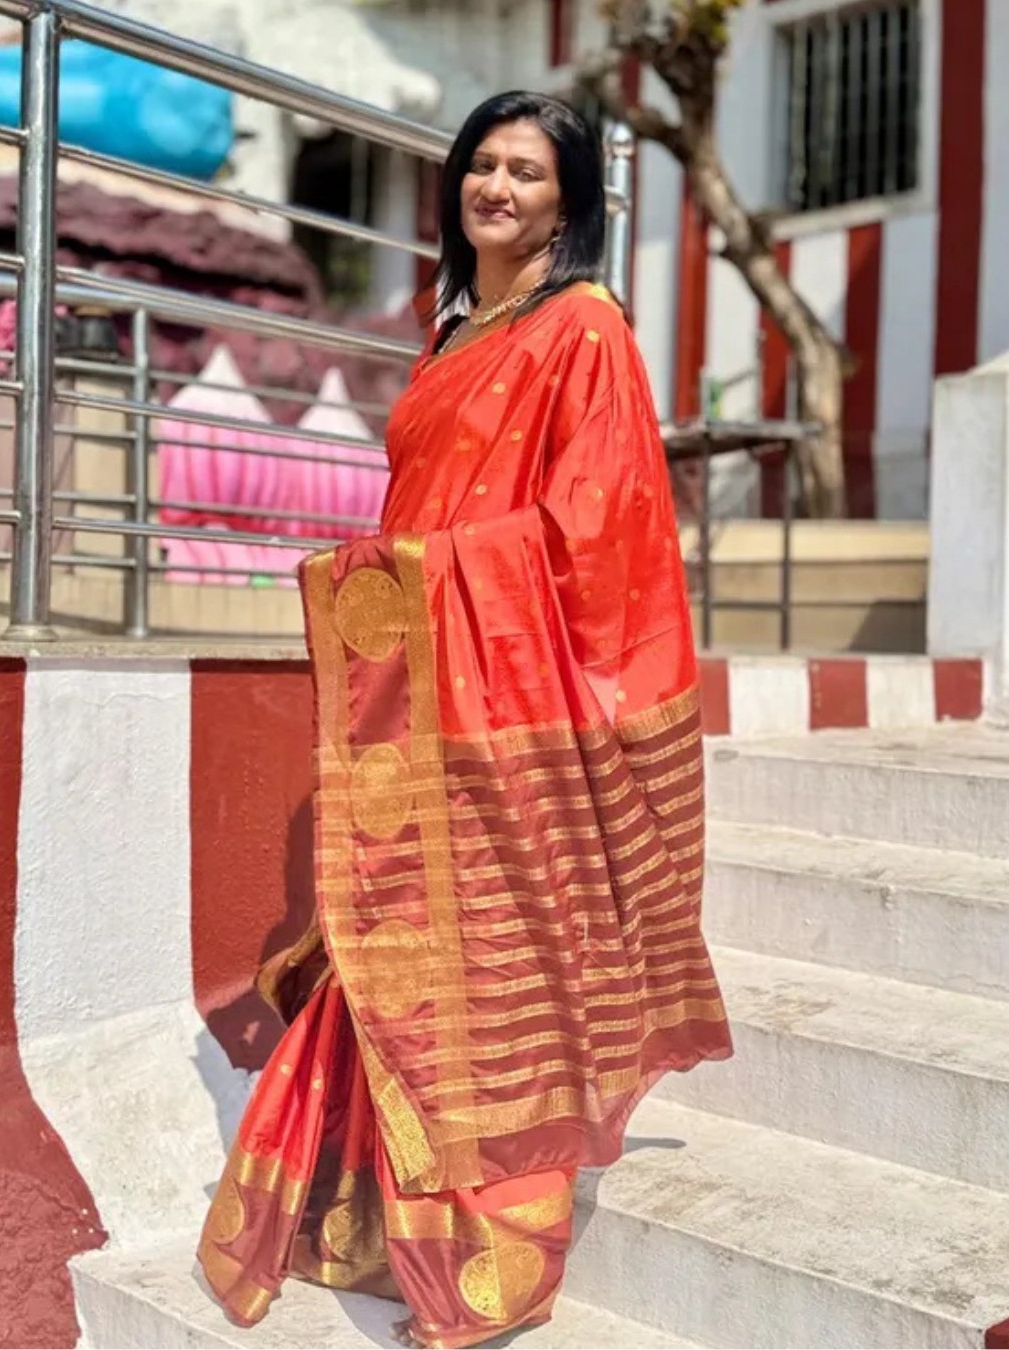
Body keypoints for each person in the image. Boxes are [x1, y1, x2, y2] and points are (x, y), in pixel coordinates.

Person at [197, 91, 732, 1349]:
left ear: (569, 202)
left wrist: (422, 583)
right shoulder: (454, 340)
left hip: (508, 692)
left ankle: (492, 1241)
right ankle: (385, 1210)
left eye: (528, 173)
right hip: (423, 688)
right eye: (482, 166)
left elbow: (595, 526)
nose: (499, 187)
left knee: (492, 956)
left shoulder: (583, 330)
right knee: (399, 940)